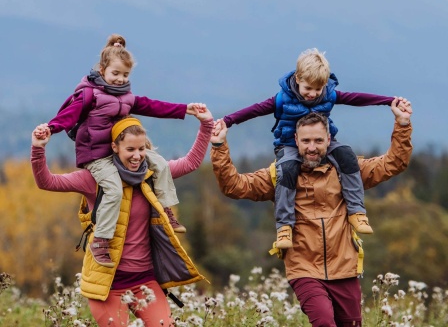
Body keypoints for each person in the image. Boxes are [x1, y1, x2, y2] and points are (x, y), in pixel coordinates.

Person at [211, 98, 412, 327]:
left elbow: (393, 163)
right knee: (324, 322)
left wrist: (403, 124)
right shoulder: (279, 175)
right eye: (306, 141)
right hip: (304, 269)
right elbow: (234, 186)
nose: (312, 147)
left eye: (318, 140)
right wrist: (219, 147)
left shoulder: (348, 171)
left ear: (328, 139)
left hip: (345, 268)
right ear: (296, 140)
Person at [31, 106, 214, 327]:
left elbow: (191, 162)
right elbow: (47, 182)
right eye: (130, 149)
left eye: (141, 149)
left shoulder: (153, 174)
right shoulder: (94, 179)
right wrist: (38, 148)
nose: (137, 156)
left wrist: (206, 125)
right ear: (114, 147)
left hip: (145, 280)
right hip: (107, 284)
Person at [38, 34, 205, 267]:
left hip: (120, 152)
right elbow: (69, 115)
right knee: (114, 190)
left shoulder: (127, 96)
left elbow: (153, 106)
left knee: (160, 164)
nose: (120, 79)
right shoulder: (89, 94)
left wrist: (183, 109)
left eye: (125, 75)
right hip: (96, 156)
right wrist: (50, 128)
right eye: (115, 73)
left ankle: (165, 208)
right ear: (103, 69)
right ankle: (101, 241)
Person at [218, 48, 411, 249]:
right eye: (308, 88)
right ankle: (285, 226)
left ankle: (356, 211)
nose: (313, 94)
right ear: (298, 78)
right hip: (289, 145)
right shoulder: (282, 99)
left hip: (324, 143)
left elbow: (356, 98)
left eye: (318, 89)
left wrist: (389, 101)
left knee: (346, 155)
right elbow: (255, 110)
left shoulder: (327, 95)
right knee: (287, 169)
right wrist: (228, 121)